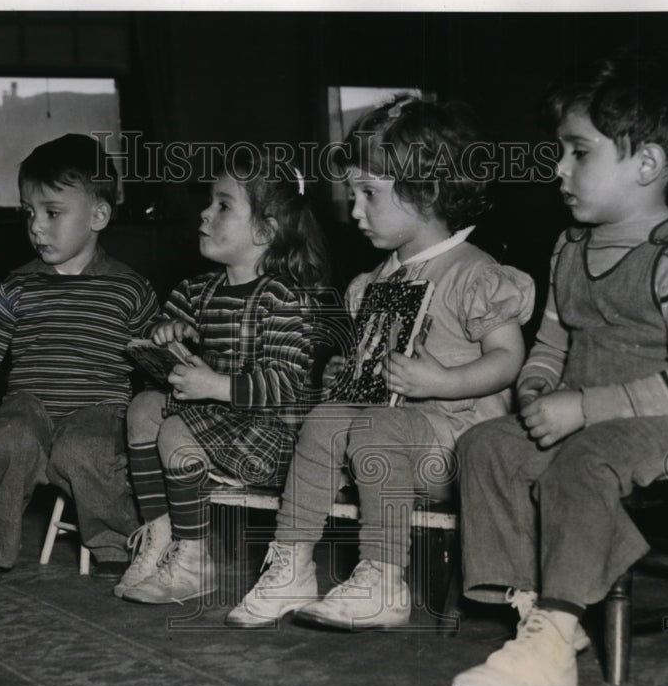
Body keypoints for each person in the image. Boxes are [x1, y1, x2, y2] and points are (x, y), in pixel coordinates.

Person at [450, 48, 668, 686]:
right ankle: (539, 606)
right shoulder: (571, 246)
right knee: (485, 446)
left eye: (578, 152)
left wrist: (584, 408)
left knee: (580, 461)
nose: (558, 169)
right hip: (590, 416)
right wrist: (534, 387)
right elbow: (551, 342)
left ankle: (553, 638)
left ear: (646, 164)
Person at [225, 95, 535, 630]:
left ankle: (383, 577)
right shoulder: (378, 280)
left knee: (377, 426)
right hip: (388, 433)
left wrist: (444, 380)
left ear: (427, 192)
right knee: (327, 419)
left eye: (369, 194)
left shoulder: (474, 274)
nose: (355, 210)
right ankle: (291, 563)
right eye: (354, 194)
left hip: (459, 445)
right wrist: (348, 373)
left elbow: (509, 360)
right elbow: (371, 368)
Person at [0, 134, 159, 584]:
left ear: (99, 214)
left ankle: (115, 545)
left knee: (87, 449)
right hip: (31, 406)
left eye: (52, 212)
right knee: (6, 440)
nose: (36, 226)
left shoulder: (129, 288)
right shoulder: (17, 287)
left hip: (98, 411)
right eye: (29, 212)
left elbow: (154, 362)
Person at [115, 149, 331, 604]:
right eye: (210, 202)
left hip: (270, 438)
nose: (205, 212)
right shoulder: (195, 289)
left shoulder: (286, 298)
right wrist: (167, 334)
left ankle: (195, 561)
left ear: (265, 229)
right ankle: (161, 537)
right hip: (216, 420)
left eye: (223, 205)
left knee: (173, 427)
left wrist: (216, 385)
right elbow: (162, 339)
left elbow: (288, 384)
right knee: (142, 408)